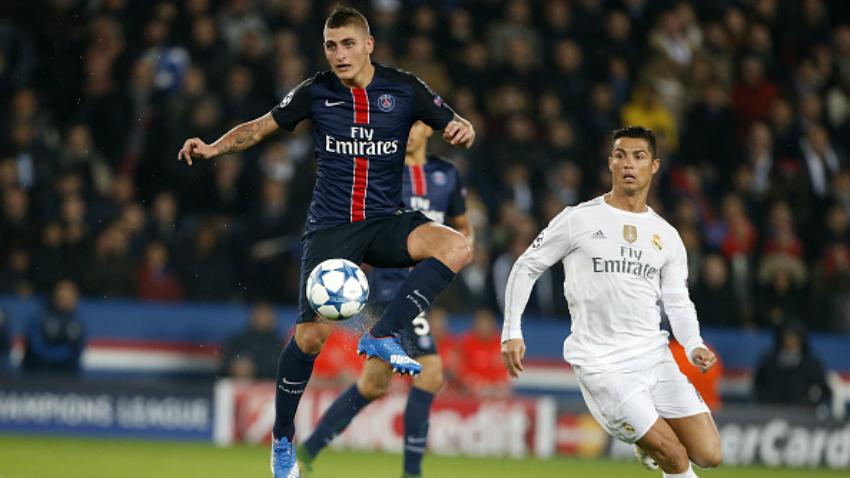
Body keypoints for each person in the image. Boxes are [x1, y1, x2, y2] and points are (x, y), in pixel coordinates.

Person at [177, 7, 475, 477]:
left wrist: (463, 127)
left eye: (348, 44)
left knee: (457, 246)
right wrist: (214, 147)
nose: (339, 54)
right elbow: (259, 127)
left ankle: (382, 334)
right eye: (331, 46)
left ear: (369, 44)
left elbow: (455, 121)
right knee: (310, 338)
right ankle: (282, 442)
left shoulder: (404, 88)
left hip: (384, 221)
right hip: (332, 229)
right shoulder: (316, 92)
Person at [501, 126, 722, 478]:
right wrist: (512, 331)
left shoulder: (666, 235)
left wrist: (693, 343)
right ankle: (651, 440)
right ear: (610, 164)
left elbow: (678, 299)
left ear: (655, 166)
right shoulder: (579, 219)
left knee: (710, 454)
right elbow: (526, 266)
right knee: (676, 458)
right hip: (602, 364)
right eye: (620, 155)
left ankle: (644, 438)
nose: (628, 164)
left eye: (639, 156)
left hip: (655, 357)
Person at [298, 120, 473, 478]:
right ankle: (412, 473)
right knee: (431, 370)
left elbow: (463, 225)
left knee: (373, 384)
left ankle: (307, 450)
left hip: (421, 290)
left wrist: (461, 247)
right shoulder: (380, 171)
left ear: (429, 130)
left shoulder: (447, 175)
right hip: (389, 285)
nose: (408, 131)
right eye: (403, 124)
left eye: (416, 124)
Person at [754, 321, 832, 411]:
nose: (791, 340)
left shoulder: (811, 363)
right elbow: (758, 385)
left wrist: (811, 403)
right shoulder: (769, 360)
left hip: (802, 415)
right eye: (787, 336)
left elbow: (824, 391)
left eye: (794, 336)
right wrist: (766, 403)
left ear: (801, 339)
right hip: (771, 411)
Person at [22, 279, 86, 374]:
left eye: (70, 296)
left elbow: (78, 348)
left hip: (68, 373)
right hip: (37, 371)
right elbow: (36, 346)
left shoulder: (77, 321)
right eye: (63, 296)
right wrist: (59, 356)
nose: (67, 300)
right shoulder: (39, 317)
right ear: (55, 297)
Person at [220, 302, 283, 380]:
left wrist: (254, 369)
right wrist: (234, 366)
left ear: (273, 318)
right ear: (252, 316)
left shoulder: (278, 344)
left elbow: (280, 369)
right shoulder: (238, 340)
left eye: (265, 314)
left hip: (265, 386)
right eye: (259, 313)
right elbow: (224, 362)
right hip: (234, 383)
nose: (262, 318)